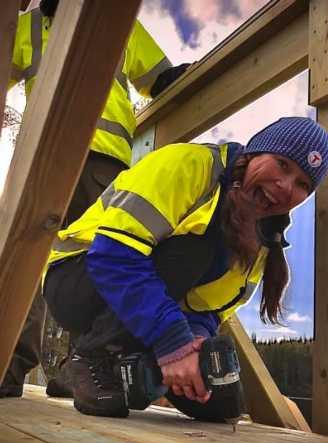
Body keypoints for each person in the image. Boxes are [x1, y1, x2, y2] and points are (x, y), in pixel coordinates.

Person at [42, 116, 328, 419]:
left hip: (131, 302)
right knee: (195, 248)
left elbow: (209, 308)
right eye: (283, 164)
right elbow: (114, 255)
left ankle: (86, 374)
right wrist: (172, 342)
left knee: (222, 404)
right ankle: (92, 356)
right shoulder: (189, 164)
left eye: (303, 184)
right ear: (254, 152)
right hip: (76, 278)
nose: (286, 187)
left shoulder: (262, 237)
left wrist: (194, 342)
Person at [0, 0, 189, 398]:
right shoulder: (28, 27)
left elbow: (160, 77)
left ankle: (83, 365)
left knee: (99, 260)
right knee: (24, 262)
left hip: (103, 157)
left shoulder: (113, 15)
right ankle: (9, 365)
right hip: (45, 153)